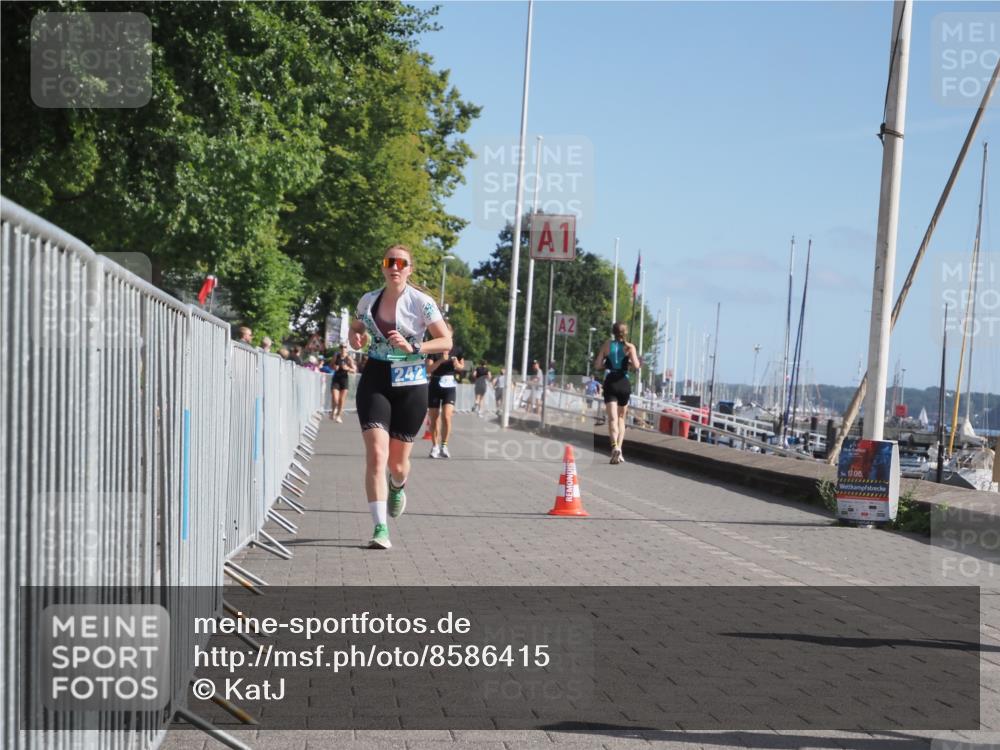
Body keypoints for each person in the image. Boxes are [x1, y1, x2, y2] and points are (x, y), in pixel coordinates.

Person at [350, 245, 451, 549]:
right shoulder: (368, 300)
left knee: (397, 464)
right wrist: (356, 337)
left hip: (411, 381)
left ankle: (398, 485)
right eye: (389, 262)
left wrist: (415, 348)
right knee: (377, 456)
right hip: (376, 378)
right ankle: (380, 528)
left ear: (410, 269)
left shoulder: (422, 302)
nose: (394, 267)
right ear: (383, 267)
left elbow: (445, 339)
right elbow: (356, 329)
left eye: (401, 263)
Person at [593, 322, 641, 465]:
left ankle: (614, 447)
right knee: (621, 418)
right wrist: (630, 364)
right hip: (624, 383)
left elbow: (597, 365)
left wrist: (607, 364)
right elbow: (637, 366)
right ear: (625, 333)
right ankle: (619, 449)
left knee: (612, 419)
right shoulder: (630, 347)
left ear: (613, 332)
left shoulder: (607, 345)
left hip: (611, 382)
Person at [427, 334, 464, 458]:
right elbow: (428, 369)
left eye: (448, 332)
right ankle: (435, 446)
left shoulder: (457, 349)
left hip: (449, 385)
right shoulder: (433, 349)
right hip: (435, 384)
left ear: (452, 334)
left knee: (447, 416)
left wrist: (456, 364)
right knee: (434, 418)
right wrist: (441, 360)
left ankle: (444, 445)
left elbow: (461, 367)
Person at [329, 343, 356, 423]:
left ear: (347, 349)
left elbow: (354, 370)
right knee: (335, 398)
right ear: (339, 348)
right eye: (341, 347)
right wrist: (334, 367)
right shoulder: (336, 356)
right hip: (336, 379)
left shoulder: (348, 358)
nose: (343, 348)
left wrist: (348, 368)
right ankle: (333, 410)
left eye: (344, 347)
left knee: (341, 400)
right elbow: (330, 365)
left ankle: (338, 416)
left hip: (344, 380)